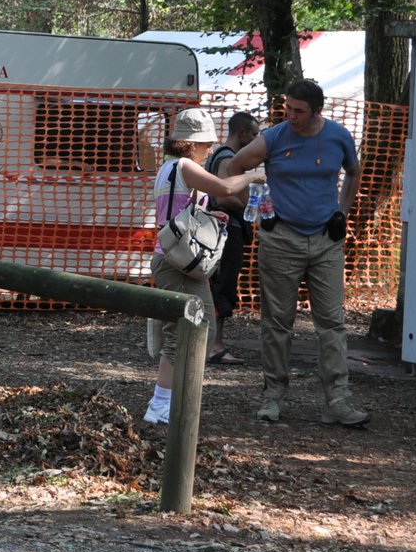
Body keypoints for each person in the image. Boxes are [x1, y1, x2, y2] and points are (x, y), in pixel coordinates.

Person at [224, 78, 368, 427]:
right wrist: (259, 209)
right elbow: (234, 168)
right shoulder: (273, 137)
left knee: (332, 322)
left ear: (317, 111)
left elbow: (353, 171)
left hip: (325, 240)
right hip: (281, 238)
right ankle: (273, 395)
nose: (291, 115)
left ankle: (338, 399)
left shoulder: (338, 137)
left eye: (298, 110)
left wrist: (342, 213)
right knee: (277, 322)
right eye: (287, 108)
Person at [143, 107, 262, 426]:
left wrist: (213, 216)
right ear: (192, 143)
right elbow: (224, 189)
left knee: (200, 327)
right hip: (177, 260)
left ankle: (174, 399)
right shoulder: (183, 166)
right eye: (206, 143)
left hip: (176, 258)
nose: (210, 149)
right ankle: (160, 405)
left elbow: (181, 210)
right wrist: (252, 175)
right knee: (183, 334)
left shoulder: (167, 167)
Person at [203, 110, 261, 364]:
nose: (257, 140)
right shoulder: (228, 159)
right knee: (224, 285)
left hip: (217, 228)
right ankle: (215, 346)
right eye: (254, 134)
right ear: (242, 133)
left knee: (216, 284)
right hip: (228, 230)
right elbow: (226, 196)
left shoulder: (215, 154)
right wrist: (253, 209)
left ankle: (209, 343)